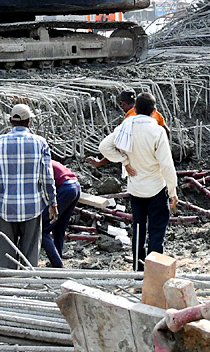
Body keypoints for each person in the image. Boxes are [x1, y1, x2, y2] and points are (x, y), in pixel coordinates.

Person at [100, 92, 177, 270]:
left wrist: (125, 161)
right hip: (157, 189)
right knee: (157, 231)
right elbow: (166, 165)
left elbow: (104, 146)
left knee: (138, 231)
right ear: (154, 111)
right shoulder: (157, 131)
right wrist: (173, 192)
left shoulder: (126, 126)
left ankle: (137, 271)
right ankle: (154, 272)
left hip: (135, 188)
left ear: (134, 109)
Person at [0, 104, 55, 270]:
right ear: (29, 122)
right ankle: (28, 285)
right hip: (32, 206)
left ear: (10, 121)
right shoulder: (40, 142)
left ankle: (6, 286)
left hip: (5, 206)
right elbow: (47, 176)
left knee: (4, 253)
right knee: (30, 252)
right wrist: (52, 202)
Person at [41, 160, 81, 268]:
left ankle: (58, 265)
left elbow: (45, 187)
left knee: (43, 229)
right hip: (75, 186)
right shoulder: (48, 160)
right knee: (59, 228)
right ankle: (57, 258)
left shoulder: (40, 164)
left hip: (65, 188)